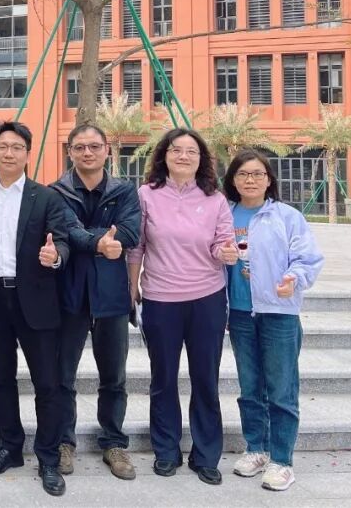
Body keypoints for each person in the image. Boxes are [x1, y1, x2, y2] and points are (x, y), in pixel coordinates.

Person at [127, 128, 237, 485]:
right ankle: (166, 451)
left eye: (192, 151)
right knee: (163, 378)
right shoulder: (146, 194)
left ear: (201, 159)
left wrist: (225, 252)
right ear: (164, 155)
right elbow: (137, 246)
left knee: (205, 378)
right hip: (160, 298)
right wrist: (132, 287)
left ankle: (206, 455)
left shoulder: (215, 198)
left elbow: (223, 242)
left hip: (207, 298)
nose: (184, 156)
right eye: (176, 150)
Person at [0, 121, 71, 497]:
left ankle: (48, 458)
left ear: (28, 154)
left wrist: (55, 255)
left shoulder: (46, 197)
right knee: (1, 378)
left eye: (16, 147)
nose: (8, 153)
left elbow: (62, 240)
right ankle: (10, 448)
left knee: (47, 383)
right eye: (2, 147)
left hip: (36, 299)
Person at [223, 150, 324, 492]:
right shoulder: (225, 214)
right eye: (242, 174)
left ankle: (282, 460)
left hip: (279, 313)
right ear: (233, 180)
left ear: (269, 179)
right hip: (239, 313)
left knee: (281, 390)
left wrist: (294, 278)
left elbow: (307, 258)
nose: (250, 180)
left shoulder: (287, 216)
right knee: (250, 388)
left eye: (257, 174)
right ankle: (256, 449)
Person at [49, 124, 140, 481]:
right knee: (62, 377)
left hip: (112, 295)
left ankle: (113, 443)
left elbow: (130, 231)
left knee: (114, 377)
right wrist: (101, 242)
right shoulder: (56, 192)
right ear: (70, 152)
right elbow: (65, 231)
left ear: (106, 151)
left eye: (94, 146)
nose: (87, 152)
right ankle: (62, 442)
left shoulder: (125, 191)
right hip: (68, 294)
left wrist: (94, 240)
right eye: (80, 147)